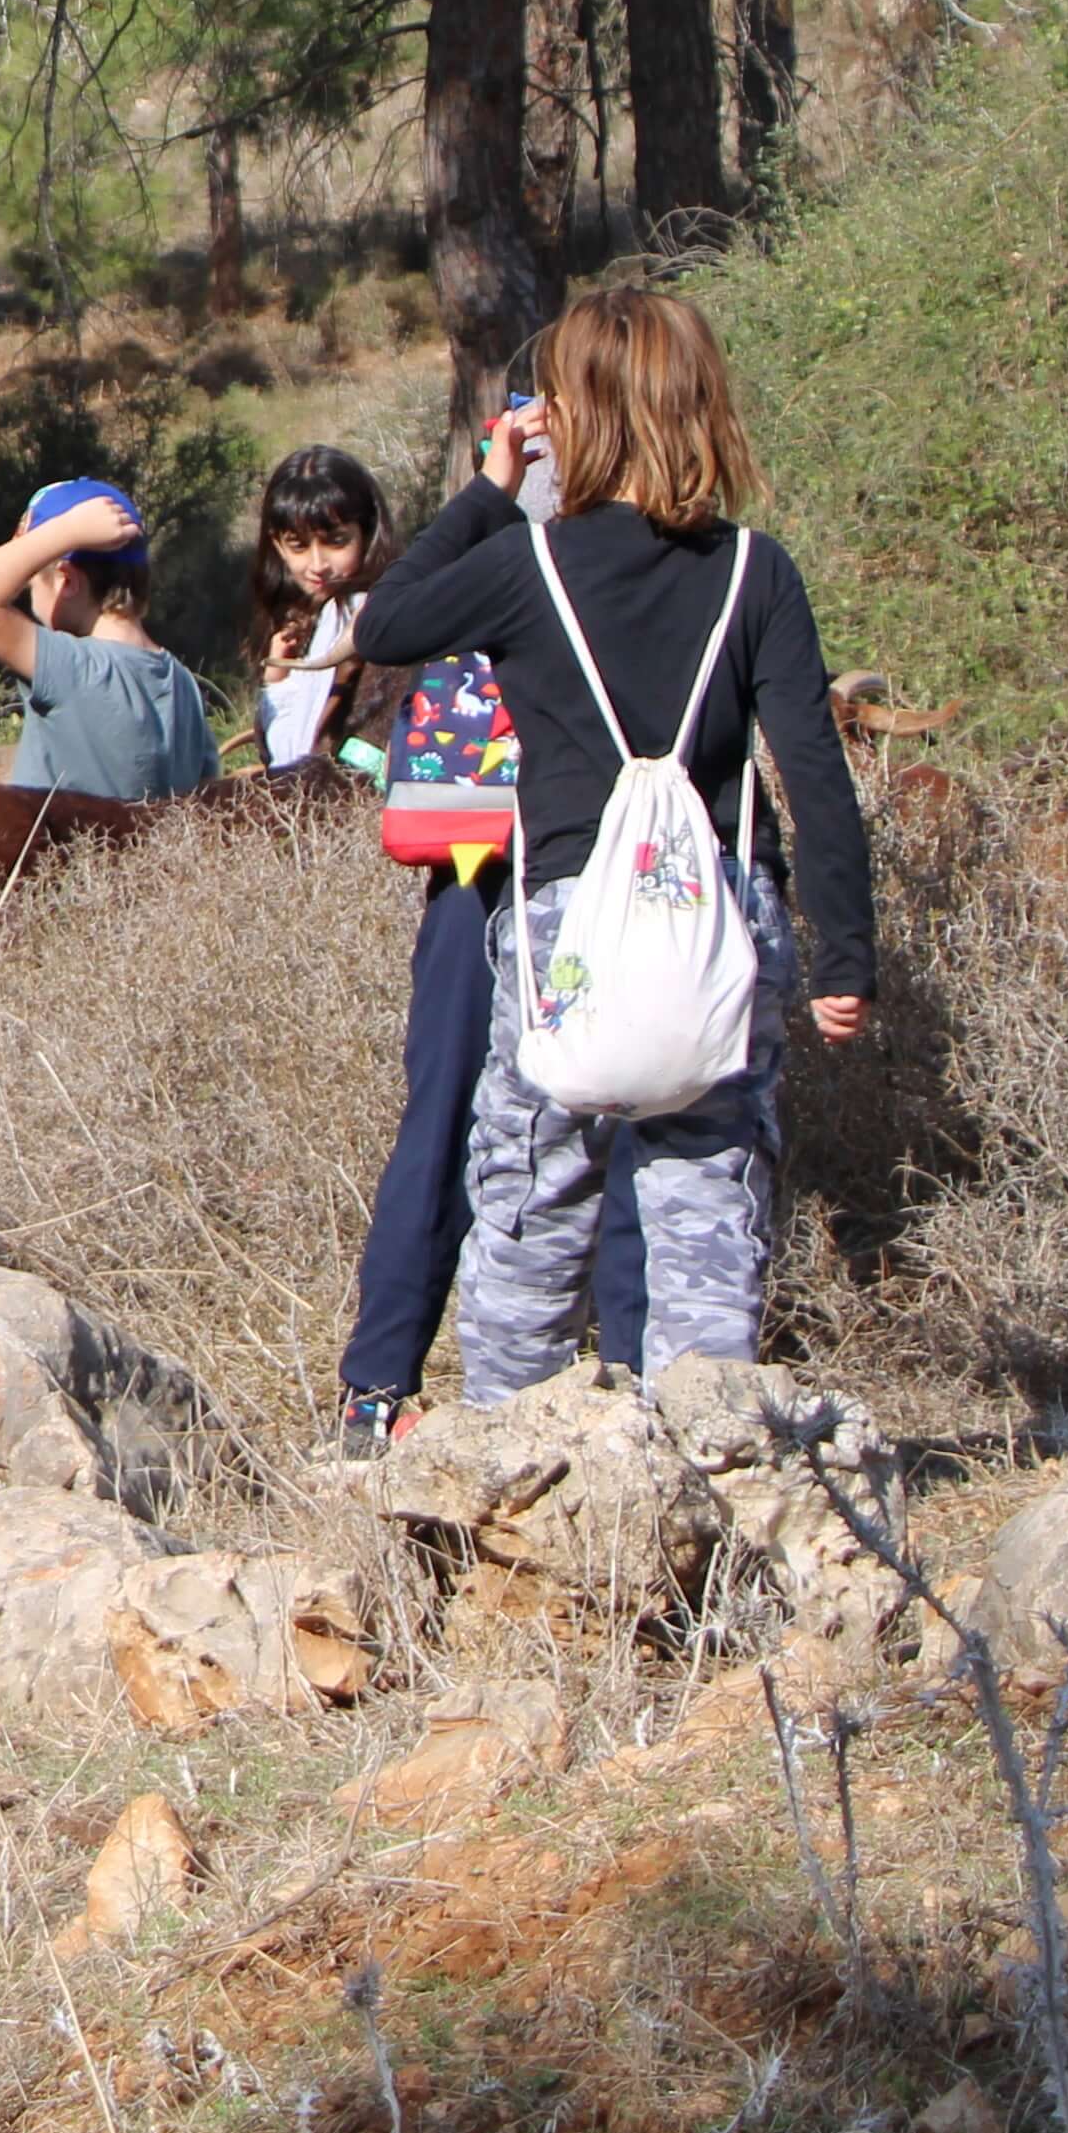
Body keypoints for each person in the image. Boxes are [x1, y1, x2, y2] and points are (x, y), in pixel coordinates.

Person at [346, 283, 874, 1398]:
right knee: (705, 1222)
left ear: (568, 417)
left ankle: (509, 1479)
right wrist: (844, 957)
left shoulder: (529, 565)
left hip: (563, 936)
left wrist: (488, 496)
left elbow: (384, 623)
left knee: (532, 1214)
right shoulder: (752, 571)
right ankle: (708, 1477)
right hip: (718, 925)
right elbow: (813, 772)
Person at [0, 478, 221, 801]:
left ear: (68, 580)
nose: (29, 599)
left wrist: (68, 531)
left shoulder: (72, 667)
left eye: (32, 584)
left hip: (67, 852)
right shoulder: (184, 684)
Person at [245, 444, 393, 775]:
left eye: (336, 542)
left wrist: (278, 688)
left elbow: (297, 757)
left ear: (367, 533)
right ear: (278, 545)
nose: (317, 565)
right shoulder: (305, 620)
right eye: (298, 545)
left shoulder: (351, 612)